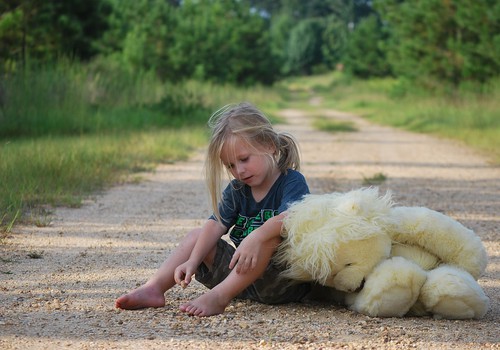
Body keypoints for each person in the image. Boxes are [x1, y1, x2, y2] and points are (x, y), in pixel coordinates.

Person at [115, 102, 312, 316]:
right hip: (240, 279)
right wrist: (193, 259)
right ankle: (154, 288)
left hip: (281, 283)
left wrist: (256, 236)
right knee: (197, 236)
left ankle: (219, 297)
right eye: (230, 166)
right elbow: (216, 223)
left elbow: (291, 217)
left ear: (269, 145)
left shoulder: (290, 181)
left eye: (244, 159)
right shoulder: (238, 189)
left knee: (270, 238)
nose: (239, 171)